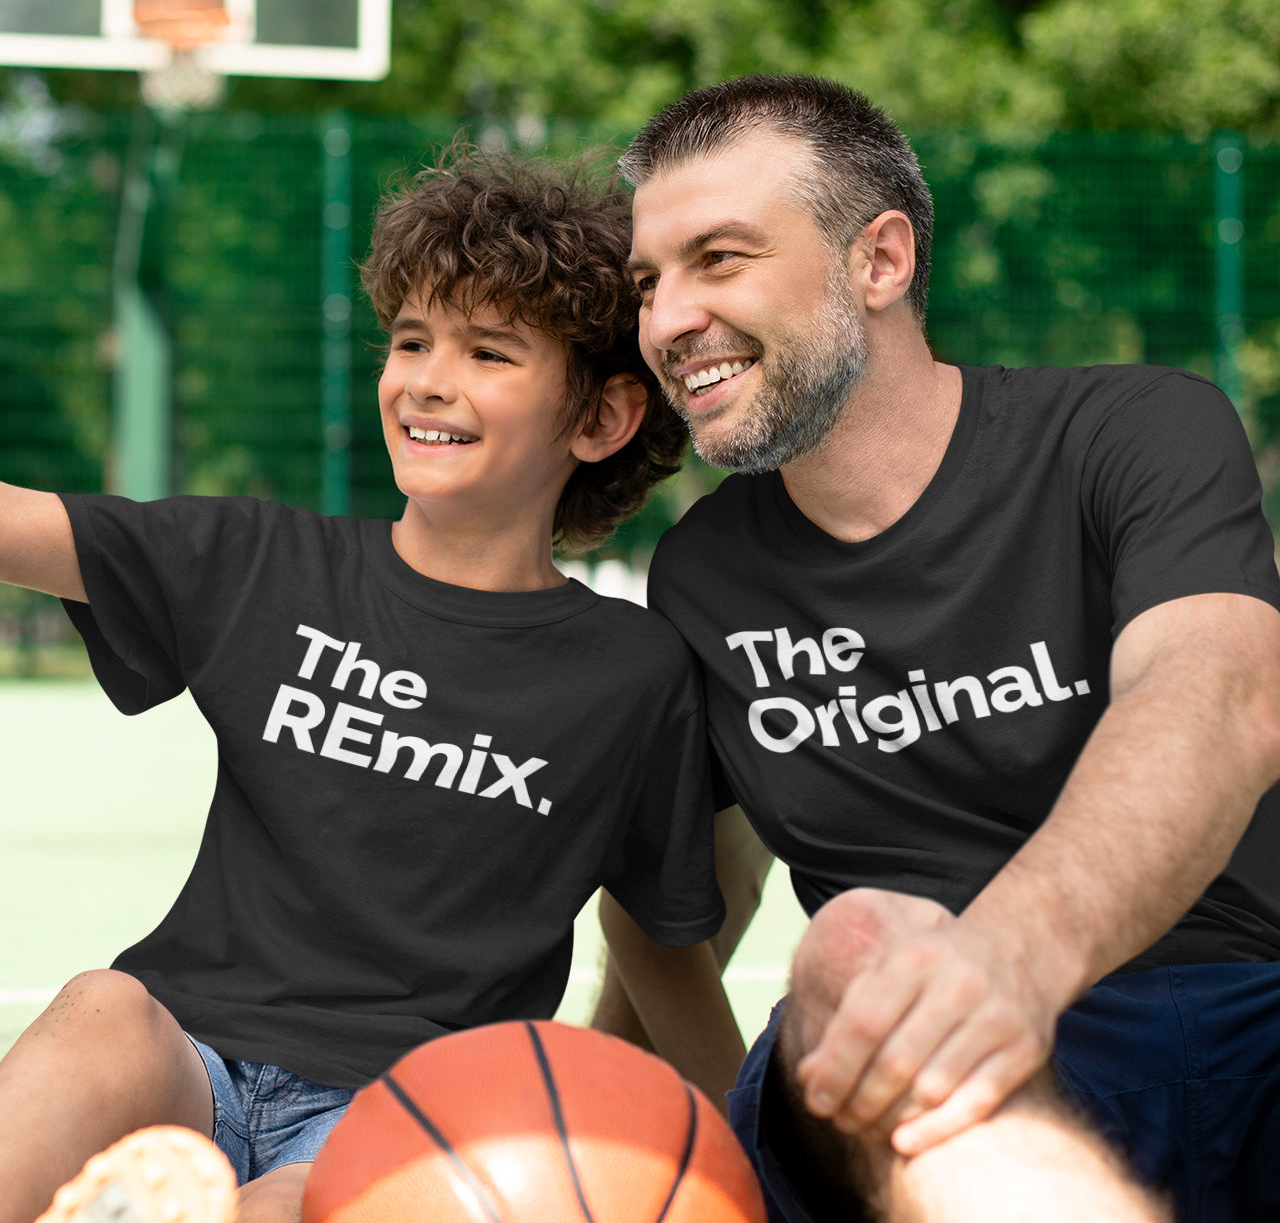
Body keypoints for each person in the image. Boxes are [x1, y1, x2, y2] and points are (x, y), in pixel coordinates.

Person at [0, 143, 741, 1223]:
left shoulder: (634, 674)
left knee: (302, 1197)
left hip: (408, 1110)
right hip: (183, 1057)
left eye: (488, 351)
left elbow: (654, 926)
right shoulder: (262, 563)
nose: (427, 378)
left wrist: (741, 1126)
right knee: (102, 1007)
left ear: (599, 418)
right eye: (409, 340)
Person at [596, 74, 1280, 1223]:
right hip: (906, 1082)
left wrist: (1008, 956)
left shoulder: (1133, 434)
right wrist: (592, 1105)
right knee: (859, 938)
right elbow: (689, 887)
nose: (665, 319)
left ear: (880, 261)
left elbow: (1214, 695)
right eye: (648, 282)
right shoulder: (703, 574)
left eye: (717, 259)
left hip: (1235, 1018)